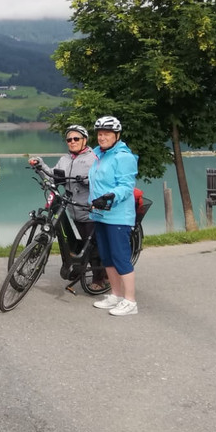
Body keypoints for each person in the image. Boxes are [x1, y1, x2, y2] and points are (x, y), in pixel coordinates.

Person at [28, 125, 105, 287]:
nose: (72, 142)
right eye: (69, 139)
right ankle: (81, 267)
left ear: (85, 140)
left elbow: (102, 180)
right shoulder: (65, 160)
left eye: (76, 138)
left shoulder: (94, 158)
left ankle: (99, 279)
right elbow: (54, 177)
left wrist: (88, 180)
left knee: (93, 247)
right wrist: (40, 165)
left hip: (90, 209)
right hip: (73, 209)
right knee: (82, 244)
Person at [87, 116, 140, 316]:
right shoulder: (99, 154)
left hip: (118, 215)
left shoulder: (123, 157)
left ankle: (130, 301)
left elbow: (126, 186)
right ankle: (116, 295)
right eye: (100, 134)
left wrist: (110, 197)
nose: (102, 137)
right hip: (99, 214)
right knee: (107, 257)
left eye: (107, 134)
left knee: (120, 257)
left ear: (117, 135)